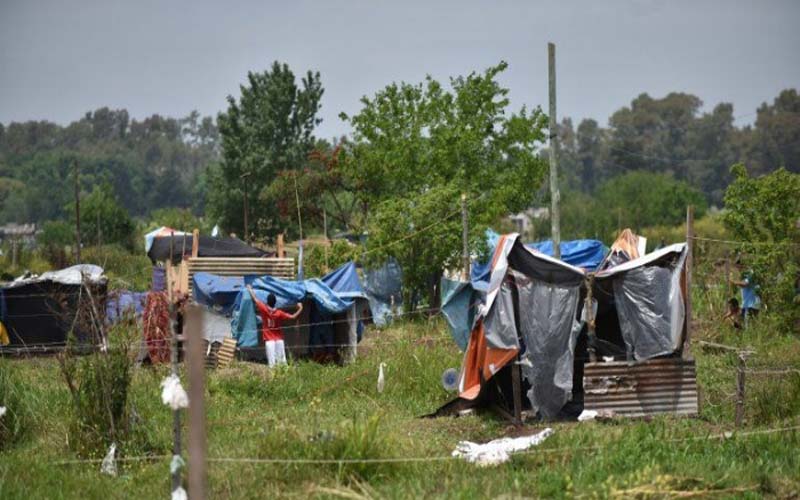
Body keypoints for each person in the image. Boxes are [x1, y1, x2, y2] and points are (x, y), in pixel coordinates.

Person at [246, 285, 303, 367]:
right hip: (279, 339)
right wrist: (300, 308)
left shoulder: (264, 309)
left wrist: (250, 289)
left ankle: (274, 378)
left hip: (269, 340)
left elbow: (255, 299)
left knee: (272, 365)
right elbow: (293, 317)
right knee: (282, 363)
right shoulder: (279, 313)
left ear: (267, 301)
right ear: (275, 302)